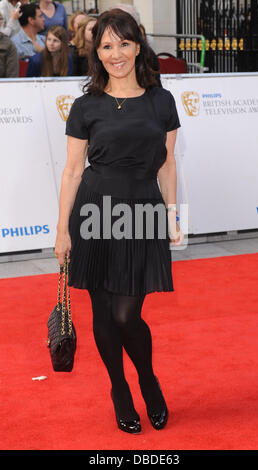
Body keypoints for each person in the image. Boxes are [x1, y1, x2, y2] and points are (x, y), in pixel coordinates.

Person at [54, 9, 183, 434]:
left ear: (138, 44)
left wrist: (172, 215)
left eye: (123, 44)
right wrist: (62, 230)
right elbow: (73, 170)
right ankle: (119, 389)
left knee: (128, 314)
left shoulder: (160, 100)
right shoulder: (86, 105)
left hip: (142, 209)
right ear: (97, 52)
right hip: (95, 209)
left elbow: (166, 165)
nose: (116, 54)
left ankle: (147, 378)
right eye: (107, 46)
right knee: (104, 313)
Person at [112, 3, 162, 87]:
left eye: (125, 44)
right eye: (107, 47)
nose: (116, 55)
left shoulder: (148, 55)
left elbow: (154, 85)